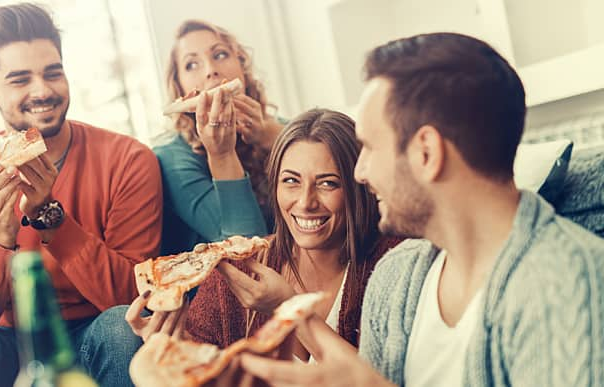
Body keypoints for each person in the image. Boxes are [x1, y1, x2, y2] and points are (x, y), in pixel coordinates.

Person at [240, 33, 604, 386]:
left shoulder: (572, 282)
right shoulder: (396, 277)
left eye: (370, 146)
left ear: (426, 153)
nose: (360, 172)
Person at [0, 3, 162, 387]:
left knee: (122, 326)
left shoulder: (128, 160)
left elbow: (134, 298)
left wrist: (51, 217)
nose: (42, 90)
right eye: (19, 80)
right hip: (5, 343)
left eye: (53, 73)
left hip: (94, 331)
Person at [127, 109, 402, 362]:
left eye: (328, 183)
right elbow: (199, 367)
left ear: (359, 187)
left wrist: (288, 307)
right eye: (291, 181)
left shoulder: (396, 265)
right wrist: (174, 348)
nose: (306, 202)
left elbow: (384, 380)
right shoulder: (235, 268)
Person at [154, 19, 286, 255]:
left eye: (220, 54)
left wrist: (269, 136)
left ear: (242, 66)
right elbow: (246, 248)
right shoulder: (171, 158)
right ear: (180, 87)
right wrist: (222, 155)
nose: (210, 70)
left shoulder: (283, 128)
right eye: (192, 64)